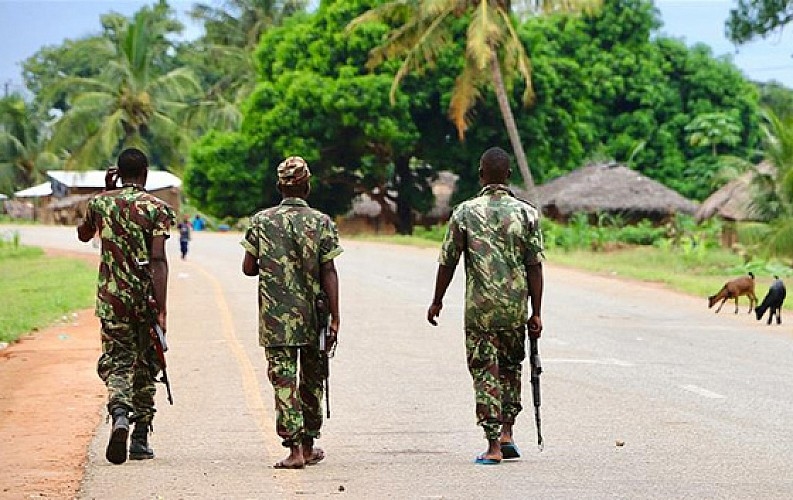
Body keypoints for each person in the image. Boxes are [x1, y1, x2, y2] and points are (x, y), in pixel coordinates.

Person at [427, 146, 544, 465]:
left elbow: (447, 261)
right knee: (510, 369)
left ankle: (492, 446)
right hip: (513, 310)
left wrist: (437, 300)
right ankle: (507, 434)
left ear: (481, 175)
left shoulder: (464, 212)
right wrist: (536, 311)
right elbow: (535, 266)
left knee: (484, 372)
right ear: (509, 175)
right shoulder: (526, 213)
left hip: (479, 311)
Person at [240, 156, 342, 469]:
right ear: (307, 185)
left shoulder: (261, 221)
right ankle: (310, 445)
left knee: (283, 380)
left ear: (279, 185)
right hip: (313, 315)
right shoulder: (321, 221)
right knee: (312, 380)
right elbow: (329, 271)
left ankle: (295, 449)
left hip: (275, 319)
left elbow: (247, 268)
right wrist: (336, 317)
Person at [77, 148, 175, 465]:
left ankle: (120, 413)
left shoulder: (100, 204)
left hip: (112, 301)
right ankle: (141, 439)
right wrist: (161, 307)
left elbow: (83, 235)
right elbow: (158, 259)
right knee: (147, 365)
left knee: (118, 362)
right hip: (145, 302)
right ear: (145, 173)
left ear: (118, 172)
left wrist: (105, 191)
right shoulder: (156, 208)